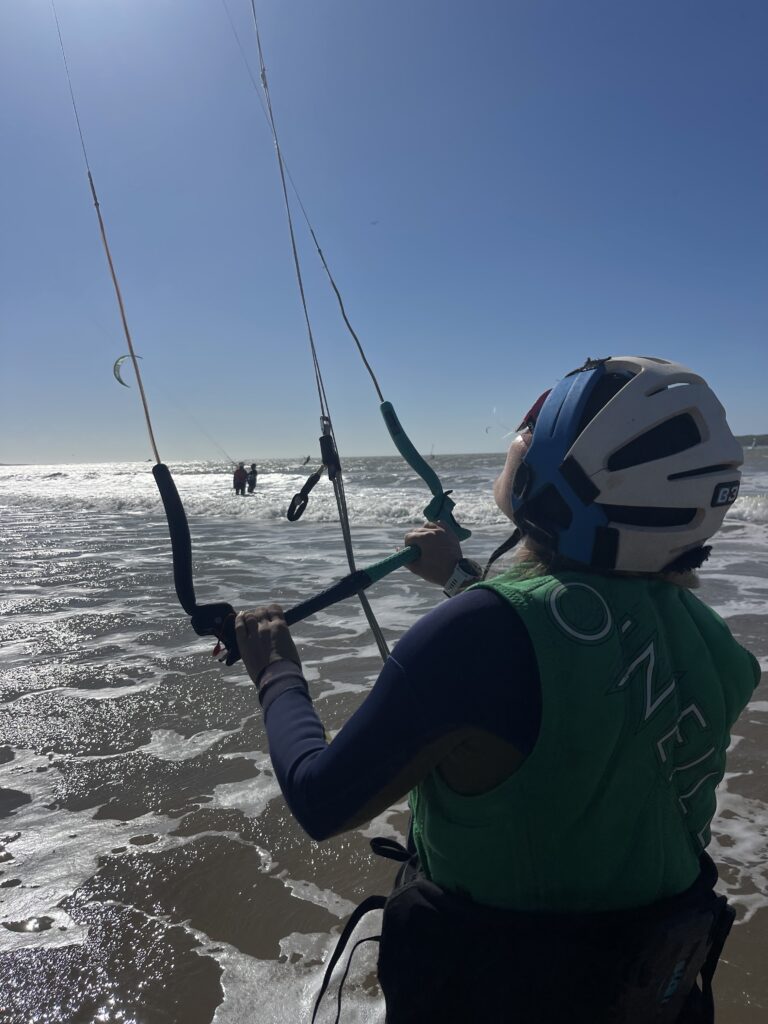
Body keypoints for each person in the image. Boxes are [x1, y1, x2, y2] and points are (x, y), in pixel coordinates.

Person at [235, 356, 760, 1023]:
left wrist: (277, 671)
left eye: (533, 430)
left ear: (552, 482)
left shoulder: (477, 634)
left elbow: (321, 799)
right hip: (659, 996)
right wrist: (461, 578)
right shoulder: (713, 643)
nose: (519, 438)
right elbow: (580, 644)